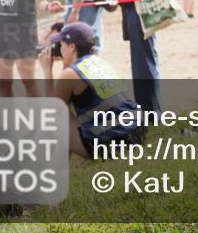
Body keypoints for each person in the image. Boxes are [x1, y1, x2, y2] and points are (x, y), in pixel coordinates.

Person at [40, 21, 144, 158]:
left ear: (72, 47)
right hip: (138, 129)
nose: (59, 48)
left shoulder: (70, 74)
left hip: (117, 140)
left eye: (61, 44)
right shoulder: (99, 62)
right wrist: (66, 63)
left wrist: (47, 71)